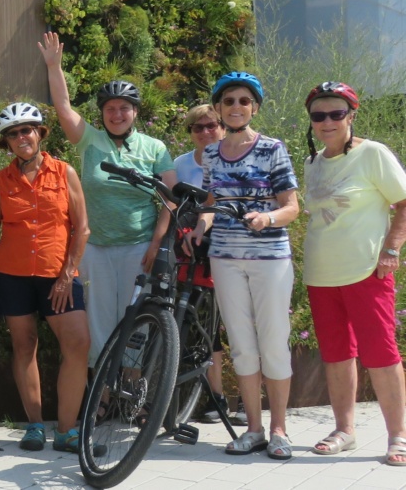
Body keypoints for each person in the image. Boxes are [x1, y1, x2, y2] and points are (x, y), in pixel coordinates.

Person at [0, 103, 91, 453]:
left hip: (57, 273)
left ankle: (68, 431)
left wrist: (67, 273)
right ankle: (34, 426)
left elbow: (82, 228)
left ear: (40, 133)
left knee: (77, 344)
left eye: (26, 130)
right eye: (12, 134)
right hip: (11, 274)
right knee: (25, 346)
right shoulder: (2, 179)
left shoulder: (64, 172)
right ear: (7, 143)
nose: (20, 137)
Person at [38, 32, 176, 371]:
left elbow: (171, 199)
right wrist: (54, 66)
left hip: (138, 246)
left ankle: (131, 389)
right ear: (102, 113)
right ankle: (100, 395)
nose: (117, 114)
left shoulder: (154, 148)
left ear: (135, 112)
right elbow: (63, 108)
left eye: (124, 108)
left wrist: (157, 243)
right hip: (95, 247)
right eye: (110, 109)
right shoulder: (90, 140)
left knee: (134, 318)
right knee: (98, 320)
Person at [187, 71, 299, 459]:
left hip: (269, 260)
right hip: (225, 259)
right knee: (242, 347)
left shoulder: (272, 148)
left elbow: (292, 206)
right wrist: (200, 228)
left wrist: (267, 219)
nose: (237, 107)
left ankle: (280, 429)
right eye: (229, 101)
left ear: (254, 107)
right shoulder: (212, 153)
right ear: (219, 108)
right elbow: (212, 203)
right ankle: (253, 430)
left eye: (244, 101)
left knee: (272, 343)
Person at [300, 81, 406, 466]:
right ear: (311, 121)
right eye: (318, 115)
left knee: (381, 353)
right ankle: (345, 429)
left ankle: (398, 436)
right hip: (321, 273)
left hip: (367, 270)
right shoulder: (312, 163)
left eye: (336, 113)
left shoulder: (373, 154)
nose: (327, 121)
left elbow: (403, 203)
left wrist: (392, 247)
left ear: (351, 116)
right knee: (335, 354)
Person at [171, 104, 243, 424]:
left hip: (232, 249)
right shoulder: (180, 165)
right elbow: (172, 209)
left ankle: (245, 400)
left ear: (223, 128)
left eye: (211, 126)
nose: (205, 132)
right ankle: (216, 399)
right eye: (197, 127)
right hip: (193, 252)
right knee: (205, 329)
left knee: (239, 326)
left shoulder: (236, 161)